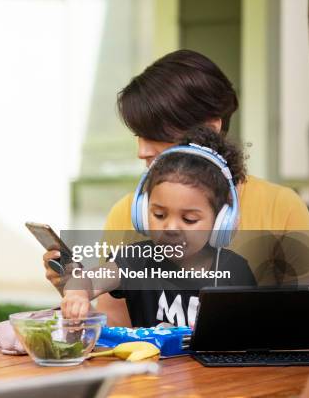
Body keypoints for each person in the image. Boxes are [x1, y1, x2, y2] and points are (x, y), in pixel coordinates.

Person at [43, 50, 309, 326]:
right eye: (158, 215)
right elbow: (116, 326)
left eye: (155, 134)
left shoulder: (283, 208)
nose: (142, 151)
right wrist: (75, 292)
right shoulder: (127, 213)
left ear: (209, 129)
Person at [60, 127, 256, 325]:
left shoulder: (235, 271)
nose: (171, 228)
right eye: (159, 215)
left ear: (222, 220)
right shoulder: (136, 261)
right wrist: (77, 294)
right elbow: (89, 280)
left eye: (189, 219)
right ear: (143, 213)